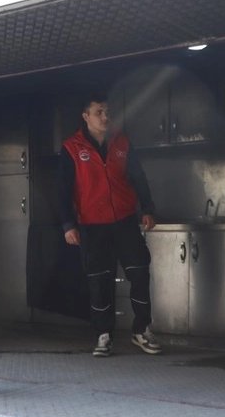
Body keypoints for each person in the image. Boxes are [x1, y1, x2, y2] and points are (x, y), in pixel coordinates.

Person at [57, 93, 162, 357]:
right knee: (99, 282)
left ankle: (142, 330)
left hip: (125, 221)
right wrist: (68, 224)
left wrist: (147, 209)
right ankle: (103, 335)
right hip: (92, 226)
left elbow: (139, 178)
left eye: (107, 112)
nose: (105, 117)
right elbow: (63, 191)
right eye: (99, 112)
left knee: (139, 274)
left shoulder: (122, 142)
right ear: (86, 116)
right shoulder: (71, 148)